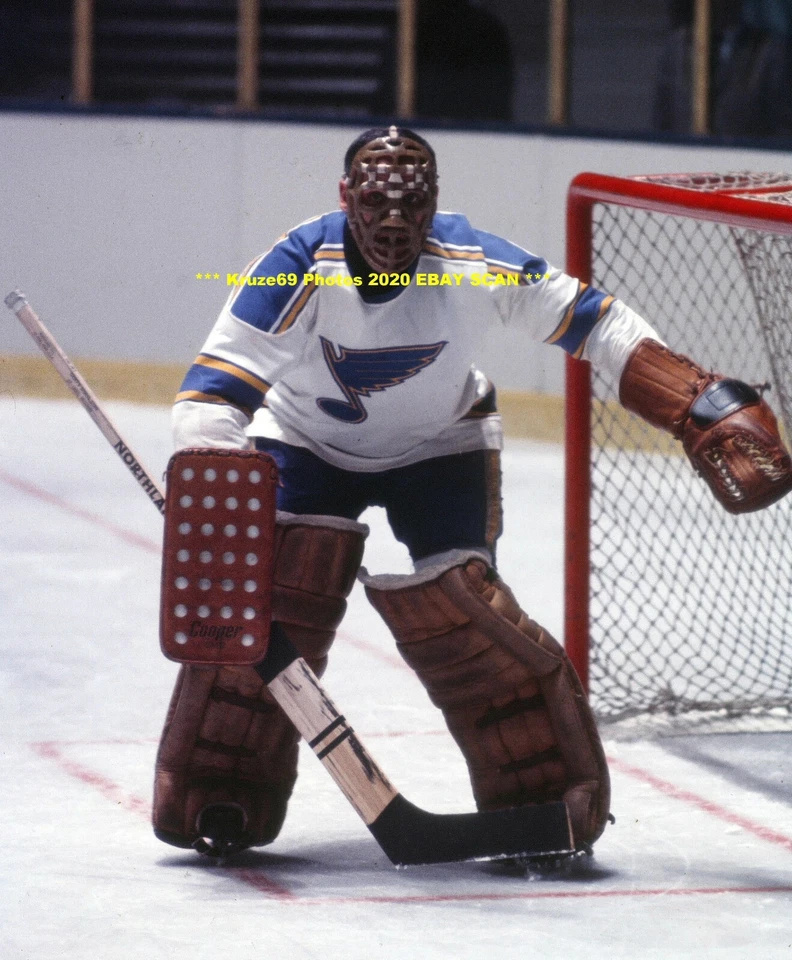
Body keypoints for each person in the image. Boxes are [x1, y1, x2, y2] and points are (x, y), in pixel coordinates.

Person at [152, 126, 792, 858]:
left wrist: (695, 402)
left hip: (442, 446)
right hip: (306, 445)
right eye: (376, 202)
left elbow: (595, 322)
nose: (394, 223)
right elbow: (212, 393)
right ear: (343, 198)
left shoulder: (471, 260)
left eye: (411, 205)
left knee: (464, 618)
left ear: (434, 205)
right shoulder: (294, 265)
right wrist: (216, 482)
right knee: (274, 610)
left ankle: (537, 797)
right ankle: (222, 782)